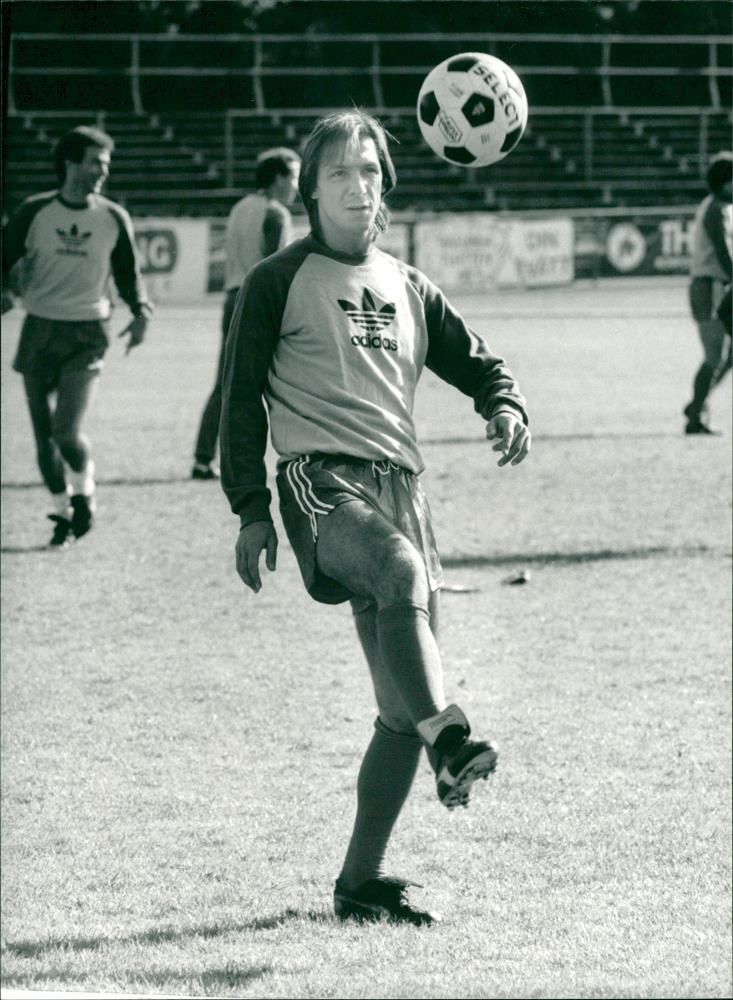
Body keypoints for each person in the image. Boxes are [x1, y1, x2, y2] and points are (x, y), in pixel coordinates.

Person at [219, 111, 530, 926]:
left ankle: (359, 885)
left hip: (403, 491)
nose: (357, 187)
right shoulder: (277, 281)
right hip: (321, 483)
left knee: (398, 707)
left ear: (384, 182)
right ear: (312, 192)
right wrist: (250, 509)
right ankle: (453, 740)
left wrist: (502, 404)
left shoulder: (410, 284)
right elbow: (239, 400)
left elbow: (479, 363)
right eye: (338, 175)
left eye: (369, 171)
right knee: (400, 574)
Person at [1, 125, 152, 547]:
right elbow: (3, 259)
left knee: (65, 431)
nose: (103, 170)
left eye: (106, 162)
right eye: (95, 162)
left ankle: (84, 493)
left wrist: (141, 311)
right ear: (70, 163)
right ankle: (59, 509)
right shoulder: (34, 212)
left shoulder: (112, 216)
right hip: (39, 329)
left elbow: (129, 277)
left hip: (88, 331)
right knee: (41, 435)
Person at [191, 147, 301, 480]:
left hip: (232, 297)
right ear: (279, 178)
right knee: (288, 382)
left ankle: (202, 458)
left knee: (226, 383)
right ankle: (300, 454)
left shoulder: (240, 208)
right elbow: (274, 268)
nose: (296, 186)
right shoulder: (276, 213)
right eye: (294, 177)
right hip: (260, 301)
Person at [682, 150, 732, 435]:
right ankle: (695, 416)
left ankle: (697, 404)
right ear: (726, 183)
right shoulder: (716, 210)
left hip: (717, 285)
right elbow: (724, 255)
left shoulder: (720, 207)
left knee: (727, 354)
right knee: (715, 355)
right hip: (710, 286)